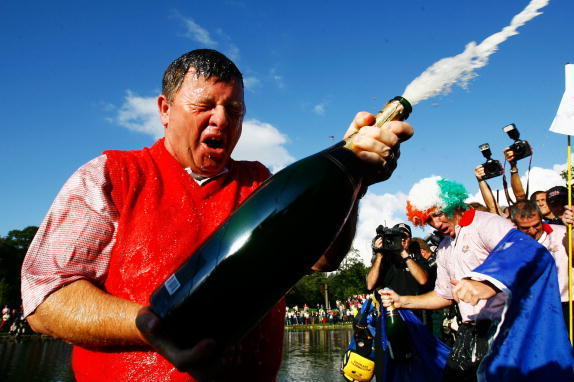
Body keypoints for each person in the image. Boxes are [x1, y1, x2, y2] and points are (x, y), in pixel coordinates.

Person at [20, 49, 413, 382]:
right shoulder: (111, 175)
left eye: (234, 109)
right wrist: (152, 326)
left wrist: (354, 182)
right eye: (204, 105)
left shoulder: (261, 183)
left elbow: (324, 258)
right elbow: (46, 299)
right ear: (164, 109)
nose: (222, 119)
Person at [384, 175, 574, 381]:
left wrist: (487, 283)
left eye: (438, 214)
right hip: (470, 332)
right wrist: (403, 301)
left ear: (452, 204)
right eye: (428, 219)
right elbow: (444, 296)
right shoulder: (444, 246)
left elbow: (526, 250)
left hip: (504, 329)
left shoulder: (487, 223)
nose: (436, 223)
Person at [509, 200, 572, 328]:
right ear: (515, 225)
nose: (532, 231)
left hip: (567, 304)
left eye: (536, 225)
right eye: (525, 228)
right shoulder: (511, 244)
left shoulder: (562, 232)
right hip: (537, 309)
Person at [366, 223, 428, 294]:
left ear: (410, 239)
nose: (402, 239)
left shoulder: (417, 258)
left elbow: (423, 280)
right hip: (391, 304)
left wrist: (403, 253)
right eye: (398, 236)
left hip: (412, 303)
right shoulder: (386, 260)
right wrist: (379, 254)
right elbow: (370, 285)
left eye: (405, 236)